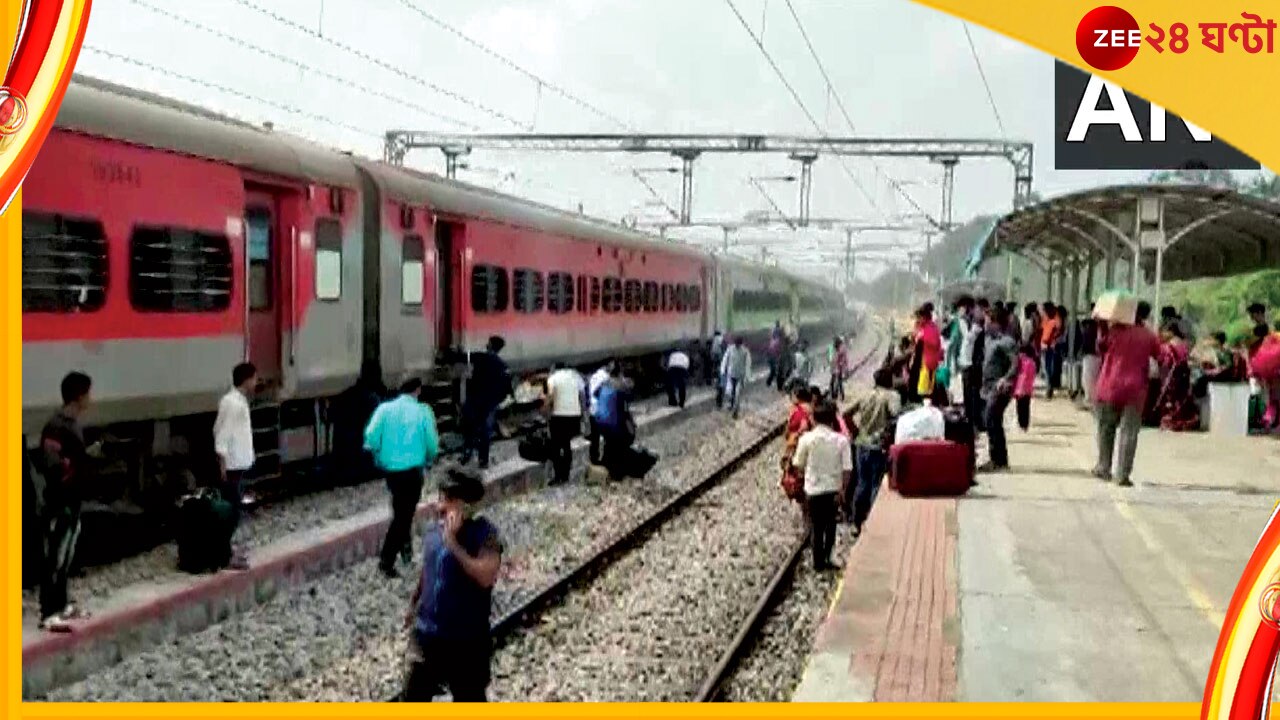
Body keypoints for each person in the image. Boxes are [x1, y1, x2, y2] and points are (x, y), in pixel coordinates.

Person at [402, 466, 502, 702]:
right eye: (440, 498)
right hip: (428, 634)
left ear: (465, 504)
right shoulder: (433, 530)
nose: (440, 506)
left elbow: (486, 576)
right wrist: (414, 602)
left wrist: (453, 545)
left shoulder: (485, 535)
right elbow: (428, 569)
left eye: (447, 500)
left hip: (466, 640)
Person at [33, 371, 98, 632]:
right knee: (55, 557)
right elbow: (51, 464)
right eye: (88, 394)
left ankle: (61, 605)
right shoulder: (57, 426)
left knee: (66, 555)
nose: (90, 399)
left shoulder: (71, 424)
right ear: (79, 396)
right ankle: (48, 612)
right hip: (61, 501)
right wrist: (74, 465)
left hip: (73, 499)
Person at [365, 378, 440, 578]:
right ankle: (386, 561)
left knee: (400, 509)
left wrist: (379, 456)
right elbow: (432, 444)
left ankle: (405, 548)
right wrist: (431, 457)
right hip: (413, 471)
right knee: (403, 515)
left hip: (392, 472)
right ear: (417, 390)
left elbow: (370, 437)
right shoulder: (423, 411)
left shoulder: (384, 409)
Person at [1094, 302, 1161, 487]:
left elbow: (1100, 347)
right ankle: (1122, 474)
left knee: (1105, 428)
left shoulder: (1115, 330)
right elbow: (1160, 356)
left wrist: (1101, 326)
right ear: (1146, 316)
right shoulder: (1149, 335)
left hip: (1109, 386)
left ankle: (1103, 467)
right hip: (1135, 389)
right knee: (1129, 432)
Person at [792, 402, 852, 572]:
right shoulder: (842, 441)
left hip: (813, 489)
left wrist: (804, 477)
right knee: (831, 524)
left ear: (814, 419)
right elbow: (847, 469)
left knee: (816, 527)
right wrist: (843, 490)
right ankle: (828, 556)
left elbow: (798, 464)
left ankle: (818, 562)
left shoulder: (806, 439)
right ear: (832, 419)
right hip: (833, 489)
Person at [842, 368, 900, 536]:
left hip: (862, 444)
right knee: (876, 484)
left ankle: (857, 522)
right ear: (889, 381)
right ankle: (875, 522)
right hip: (879, 446)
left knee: (862, 483)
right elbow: (896, 415)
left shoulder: (865, 395)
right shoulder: (892, 396)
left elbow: (846, 414)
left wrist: (856, 431)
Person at [212, 362, 257, 571]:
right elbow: (222, 434)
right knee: (231, 512)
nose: (256, 383)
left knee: (233, 510)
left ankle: (225, 551)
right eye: (254, 378)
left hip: (236, 465)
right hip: (231, 467)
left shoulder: (234, 401)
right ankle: (224, 555)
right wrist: (222, 462)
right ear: (247, 380)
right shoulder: (233, 404)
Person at [460, 336, 512, 470]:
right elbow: (506, 388)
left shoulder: (480, 357)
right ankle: (483, 460)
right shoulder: (502, 366)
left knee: (469, 428)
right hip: (490, 404)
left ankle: (467, 453)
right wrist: (497, 401)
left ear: (489, 345)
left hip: (474, 400)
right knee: (485, 432)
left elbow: (463, 357)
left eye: (488, 343)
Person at [979, 305, 1019, 472]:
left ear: (996, 322)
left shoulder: (1006, 342)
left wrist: (1006, 378)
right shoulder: (989, 340)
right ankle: (998, 458)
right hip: (988, 386)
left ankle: (998, 459)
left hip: (1000, 387)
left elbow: (1015, 364)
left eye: (988, 321)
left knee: (991, 419)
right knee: (992, 421)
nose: (985, 324)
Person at [544, 362, 585, 485]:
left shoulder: (553, 378)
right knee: (566, 445)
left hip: (559, 416)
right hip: (574, 415)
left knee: (555, 447)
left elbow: (550, 396)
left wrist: (545, 410)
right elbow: (582, 395)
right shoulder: (575, 376)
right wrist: (583, 414)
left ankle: (558, 477)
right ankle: (566, 476)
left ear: (554, 369)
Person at [1154, 323, 1200, 431]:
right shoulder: (1183, 344)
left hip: (1172, 375)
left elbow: (1164, 361)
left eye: (1164, 332)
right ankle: (1182, 421)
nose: (1162, 334)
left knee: (1171, 399)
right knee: (1181, 398)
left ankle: (1172, 422)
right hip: (1183, 375)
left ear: (1171, 331)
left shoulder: (1169, 346)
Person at [592, 364, 635, 480]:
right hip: (614, 422)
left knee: (609, 443)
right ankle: (617, 472)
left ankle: (607, 469)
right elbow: (626, 402)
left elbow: (595, 394)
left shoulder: (604, 384)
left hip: (600, 420)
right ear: (620, 373)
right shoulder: (621, 385)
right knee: (621, 443)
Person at [779, 386, 815, 505]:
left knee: (795, 472)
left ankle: (798, 495)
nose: (792, 398)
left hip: (797, 445)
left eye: (793, 396)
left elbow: (803, 426)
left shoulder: (800, 410)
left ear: (799, 397)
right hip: (807, 445)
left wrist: (796, 435)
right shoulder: (810, 408)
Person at [959, 300, 986, 431]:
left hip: (975, 363)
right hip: (967, 362)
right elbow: (967, 339)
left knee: (975, 393)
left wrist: (976, 328)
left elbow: (971, 340)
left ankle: (976, 421)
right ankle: (971, 420)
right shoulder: (963, 321)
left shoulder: (979, 324)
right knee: (969, 393)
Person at [913, 303, 943, 400]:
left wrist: (921, 337)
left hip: (928, 362)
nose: (917, 320)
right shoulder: (927, 327)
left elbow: (934, 344)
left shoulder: (929, 329)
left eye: (919, 318)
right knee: (925, 388)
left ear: (924, 317)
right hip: (926, 361)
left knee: (925, 390)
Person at [587, 360, 614, 465]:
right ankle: (606, 459)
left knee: (595, 439)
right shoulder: (606, 378)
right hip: (603, 411)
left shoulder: (594, 376)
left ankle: (594, 460)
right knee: (608, 436)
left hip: (593, 411)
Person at [721, 337, 752, 419]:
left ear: (741, 344)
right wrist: (723, 370)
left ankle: (735, 411)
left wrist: (747, 376)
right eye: (736, 344)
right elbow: (725, 359)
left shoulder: (745, 351)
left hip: (740, 376)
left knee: (737, 394)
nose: (737, 345)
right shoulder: (730, 349)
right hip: (731, 375)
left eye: (739, 344)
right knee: (732, 392)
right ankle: (731, 405)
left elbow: (747, 364)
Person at [1040, 303, 1063, 400]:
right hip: (1045, 346)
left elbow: (1059, 330)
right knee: (1047, 368)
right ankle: (1049, 388)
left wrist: (1053, 341)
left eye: (1045, 310)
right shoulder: (1046, 319)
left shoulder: (1055, 320)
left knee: (1049, 369)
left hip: (1050, 347)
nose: (1044, 312)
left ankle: (1049, 389)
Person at [1014, 344, 1038, 431]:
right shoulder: (1032, 363)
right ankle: (1025, 424)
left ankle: (1021, 423)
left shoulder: (1021, 362)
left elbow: (1021, 376)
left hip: (1020, 389)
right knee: (1026, 407)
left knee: (1020, 407)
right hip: (1028, 389)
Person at [828, 336, 849, 401]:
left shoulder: (841, 349)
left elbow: (844, 360)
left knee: (838, 383)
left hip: (838, 368)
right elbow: (831, 358)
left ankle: (838, 396)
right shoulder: (834, 349)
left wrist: (844, 368)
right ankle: (835, 395)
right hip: (835, 368)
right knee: (835, 383)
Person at [766, 321, 784, 388]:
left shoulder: (773, 339)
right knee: (775, 370)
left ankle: (771, 382)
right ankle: (771, 382)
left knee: (774, 370)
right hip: (773, 357)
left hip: (770, 356)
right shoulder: (778, 340)